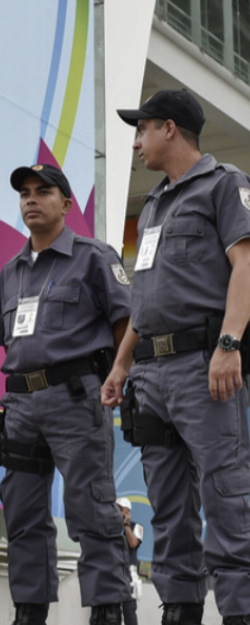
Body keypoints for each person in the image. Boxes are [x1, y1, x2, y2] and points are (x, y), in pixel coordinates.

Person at [104, 89, 250, 625]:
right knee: (166, 504)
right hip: (151, 372)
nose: (137, 141)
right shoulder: (153, 206)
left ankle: (239, 613)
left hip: (203, 366)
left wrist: (229, 343)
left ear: (169, 128)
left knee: (225, 494)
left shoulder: (224, 185)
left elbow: (247, 266)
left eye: (141, 129)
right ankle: (180, 610)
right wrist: (122, 364)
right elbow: (144, 300)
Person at [0, 164, 132, 625]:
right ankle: (29, 612)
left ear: (67, 203)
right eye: (25, 193)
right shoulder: (10, 273)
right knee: (24, 513)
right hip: (21, 405)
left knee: (91, 506)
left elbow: (127, 320)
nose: (31, 199)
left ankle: (108, 609)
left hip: (76, 398)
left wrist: (118, 374)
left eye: (43, 192)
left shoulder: (93, 257)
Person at [116, 498, 144, 625]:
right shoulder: (110, 528)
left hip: (129, 574)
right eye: (119, 510)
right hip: (113, 572)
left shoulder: (136, 527)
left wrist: (126, 525)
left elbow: (133, 543)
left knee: (129, 611)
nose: (122, 514)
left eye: (125, 511)